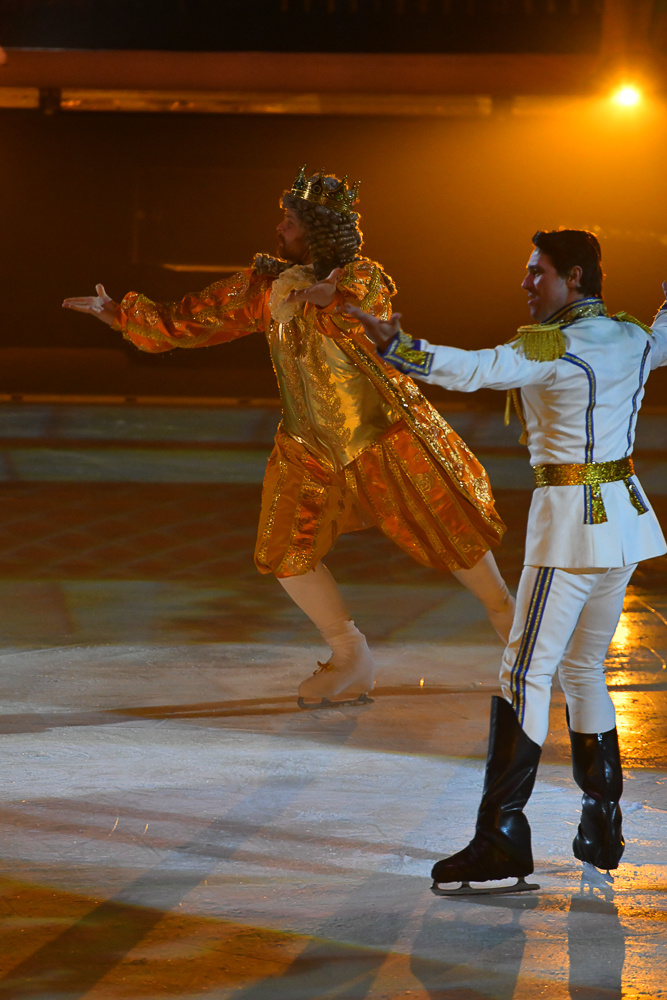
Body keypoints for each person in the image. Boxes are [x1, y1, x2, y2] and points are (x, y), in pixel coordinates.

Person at [63, 166, 514, 708]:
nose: (279, 230)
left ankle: (521, 641)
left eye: (291, 222)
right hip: (309, 447)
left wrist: (327, 294)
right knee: (284, 552)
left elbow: (359, 306)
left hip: (385, 441)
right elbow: (198, 319)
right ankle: (350, 655)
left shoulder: (364, 277)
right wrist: (121, 316)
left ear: (318, 232)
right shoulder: (268, 286)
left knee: (458, 542)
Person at [347, 229, 667, 891]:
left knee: (524, 670)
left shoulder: (555, 346)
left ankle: (501, 838)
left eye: (537, 272)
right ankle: (600, 825)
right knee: (580, 668)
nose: (526, 284)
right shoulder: (632, 336)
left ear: (572, 278)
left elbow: (475, 369)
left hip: (572, 530)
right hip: (626, 527)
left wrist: (397, 346)